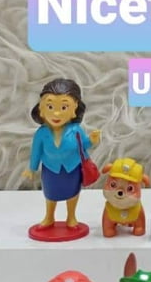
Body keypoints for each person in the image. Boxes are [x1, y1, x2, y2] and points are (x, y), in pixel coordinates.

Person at [23, 79, 100, 229]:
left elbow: (82, 145)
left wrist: (91, 140)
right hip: (51, 168)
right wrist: (32, 168)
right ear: (41, 108)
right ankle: (49, 217)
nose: (56, 113)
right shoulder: (41, 133)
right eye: (50, 106)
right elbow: (36, 151)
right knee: (50, 194)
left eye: (64, 107)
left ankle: (71, 217)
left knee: (73, 193)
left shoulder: (75, 130)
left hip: (72, 168)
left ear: (74, 108)